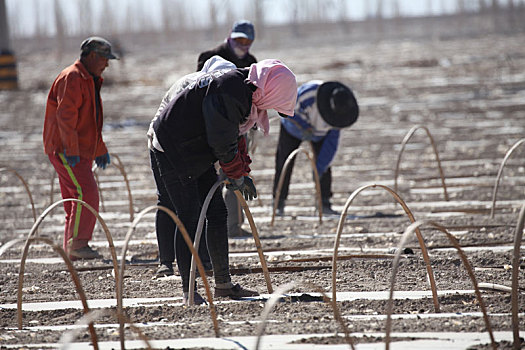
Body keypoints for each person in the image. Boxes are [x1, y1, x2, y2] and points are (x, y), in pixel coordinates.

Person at [150, 59, 297, 304]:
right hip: (173, 148)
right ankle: (189, 291)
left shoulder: (244, 93)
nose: (271, 110)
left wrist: (242, 170)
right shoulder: (232, 90)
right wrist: (235, 173)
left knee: (217, 212)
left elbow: (235, 135)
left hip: (196, 147)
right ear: (271, 89)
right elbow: (221, 141)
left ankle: (223, 285)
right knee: (189, 216)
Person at [148, 56, 236, 277]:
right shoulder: (190, 85)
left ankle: (203, 261)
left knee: (206, 206)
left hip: (194, 149)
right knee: (171, 202)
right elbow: (175, 124)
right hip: (163, 145)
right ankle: (166, 262)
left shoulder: (224, 96)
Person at [43, 37, 118, 260]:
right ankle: (78, 244)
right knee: (87, 194)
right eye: (104, 59)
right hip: (65, 150)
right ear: (92, 56)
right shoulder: (73, 78)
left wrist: (99, 149)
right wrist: (72, 150)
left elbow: (90, 121)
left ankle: (73, 248)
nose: (107, 64)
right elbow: (66, 117)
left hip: (78, 149)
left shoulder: (89, 78)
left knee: (75, 198)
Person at [197, 20, 257, 237]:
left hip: (239, 128)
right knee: (208, 177)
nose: (243, 44)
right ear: (231, 36)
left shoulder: (251, 62)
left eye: (247, 40)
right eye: (239, 39)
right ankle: (205, 227)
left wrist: (253, 124)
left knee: (235, 172)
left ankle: (233, 225)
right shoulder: (210, 56)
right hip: (212, 129)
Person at [272, 80, 359, 216]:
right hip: (292, 128)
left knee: (324, 166)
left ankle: (324, 203)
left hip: (320, 134)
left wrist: (319, 169)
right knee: (284, 163)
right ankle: (278, 203)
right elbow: (287, 109)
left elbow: (331, 145)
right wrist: (303, 126)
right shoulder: (307, 95)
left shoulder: (343, 114)